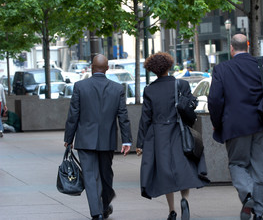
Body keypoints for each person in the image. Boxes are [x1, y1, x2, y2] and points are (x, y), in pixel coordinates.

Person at [208, 34, 263, 220]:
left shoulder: (222, 69)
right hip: (262, 124)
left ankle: (247, 194)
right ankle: (258, 213)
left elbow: (214, 100)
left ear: (231, 48)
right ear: (248, 46)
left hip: (235, 127)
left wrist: (217, 124)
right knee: (260, 169)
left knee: (237, 164)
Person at [136, 52, 209, 220]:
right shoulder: (181, 84)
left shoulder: (150, 90)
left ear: (153, 70)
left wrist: (140, 143)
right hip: (179, 130)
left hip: (158, 134)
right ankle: (185, 200)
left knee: (165, 171)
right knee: (183, 167)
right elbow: (192, 104)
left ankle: (172, 210)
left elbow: (145, 118)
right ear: (169, 66)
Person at [64, 54, 132, 220]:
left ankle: (97, 212)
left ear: (91, 68)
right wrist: (126, 140)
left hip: (85, 139)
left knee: (90, 176)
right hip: (107, 139)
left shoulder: (80, 86)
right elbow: (123, 116)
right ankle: (103, 206)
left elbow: (74, 114)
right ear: (107, 68)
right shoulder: (117, 89)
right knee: (106, 174)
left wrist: (69, 138)